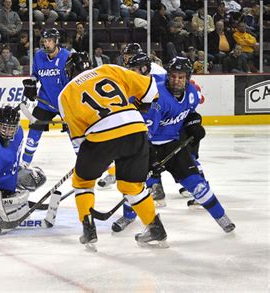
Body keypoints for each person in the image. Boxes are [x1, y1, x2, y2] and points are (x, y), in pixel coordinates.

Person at [111, 56, 235, 235]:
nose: (176, 80)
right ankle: (129, 216)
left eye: (181, 77)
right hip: (146, 146)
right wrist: (151, 160)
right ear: (168, 76)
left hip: (173, 144)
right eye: (173, 76)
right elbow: (144, 135)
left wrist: (194, 123)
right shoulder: (157, 98)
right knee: (134, 185)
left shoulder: (192, 93)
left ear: (187, 78)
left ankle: (221, 217)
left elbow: (189, 113)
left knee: (197, 184)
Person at [58, 51, 167, 248]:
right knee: (132, 186)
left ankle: (88, 229)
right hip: (136, 128)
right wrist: (141, 107)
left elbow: (79, 140)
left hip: (101, 136)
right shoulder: (109, 69)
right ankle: (155, 228)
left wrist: (96, 158)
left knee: (82, 181)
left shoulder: (65, 94)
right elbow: (151, 90)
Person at [97, 43, 167, 189]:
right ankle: (118, 173)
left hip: (157, 112)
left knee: (149, 148)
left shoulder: (155, 70)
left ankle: (156, 185)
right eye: (125, 57)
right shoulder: (130, 69)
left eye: (128, 56)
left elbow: (163, 92)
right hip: (143, 111)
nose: (126, 60)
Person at [21, 28, 70, 167]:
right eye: (44, 41)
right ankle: (25, 162)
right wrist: (31, 83)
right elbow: (35, 74)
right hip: (45, 101)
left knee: (74, 132)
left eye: (49, 41)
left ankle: (82, 160)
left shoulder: (67, 56)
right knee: (34, 131)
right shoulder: (38, 56)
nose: (46, 44)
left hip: (65, 103)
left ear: (56, 41)